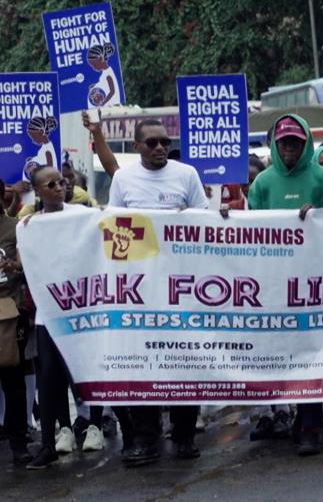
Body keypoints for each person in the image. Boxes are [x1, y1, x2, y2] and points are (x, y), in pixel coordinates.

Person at [108, 119, 209, 466]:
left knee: (184, 361)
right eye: (151, 143)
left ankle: (183, 436)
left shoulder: (187, 174)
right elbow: (114, 227)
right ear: (137, 146)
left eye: (164, 142)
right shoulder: (123, 179)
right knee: (144, 364)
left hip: (183, 287)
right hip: (141, 289)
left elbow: (205, 224)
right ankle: (146, 439)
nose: (159, 148)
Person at [247, 114, 323, 455]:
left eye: (296, 142)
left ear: (306, 143)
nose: (289, 148)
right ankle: (286, 419)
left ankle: (310, 428)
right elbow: (249, 231)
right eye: (284, 142)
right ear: (275, 143)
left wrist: (318, 215)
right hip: (274, 285)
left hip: (312, 284)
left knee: (310, 356)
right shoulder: (262, 184)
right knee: (284, 355)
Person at [21, 167, 105, 468]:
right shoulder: (29, 225)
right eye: (51, 184)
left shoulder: (82, 215)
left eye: (63, 181)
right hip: (49, 314)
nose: (60, 187)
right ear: (38, 191)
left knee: (88, 372)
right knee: (49, 378)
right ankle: (49, 443)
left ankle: (101, 426)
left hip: (83, 310)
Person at [0, 182, 29, 465]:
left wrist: (15, 267)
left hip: (9, 312)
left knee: (14, 382)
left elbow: (27, 265)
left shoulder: (15, 227)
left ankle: (19, 442)